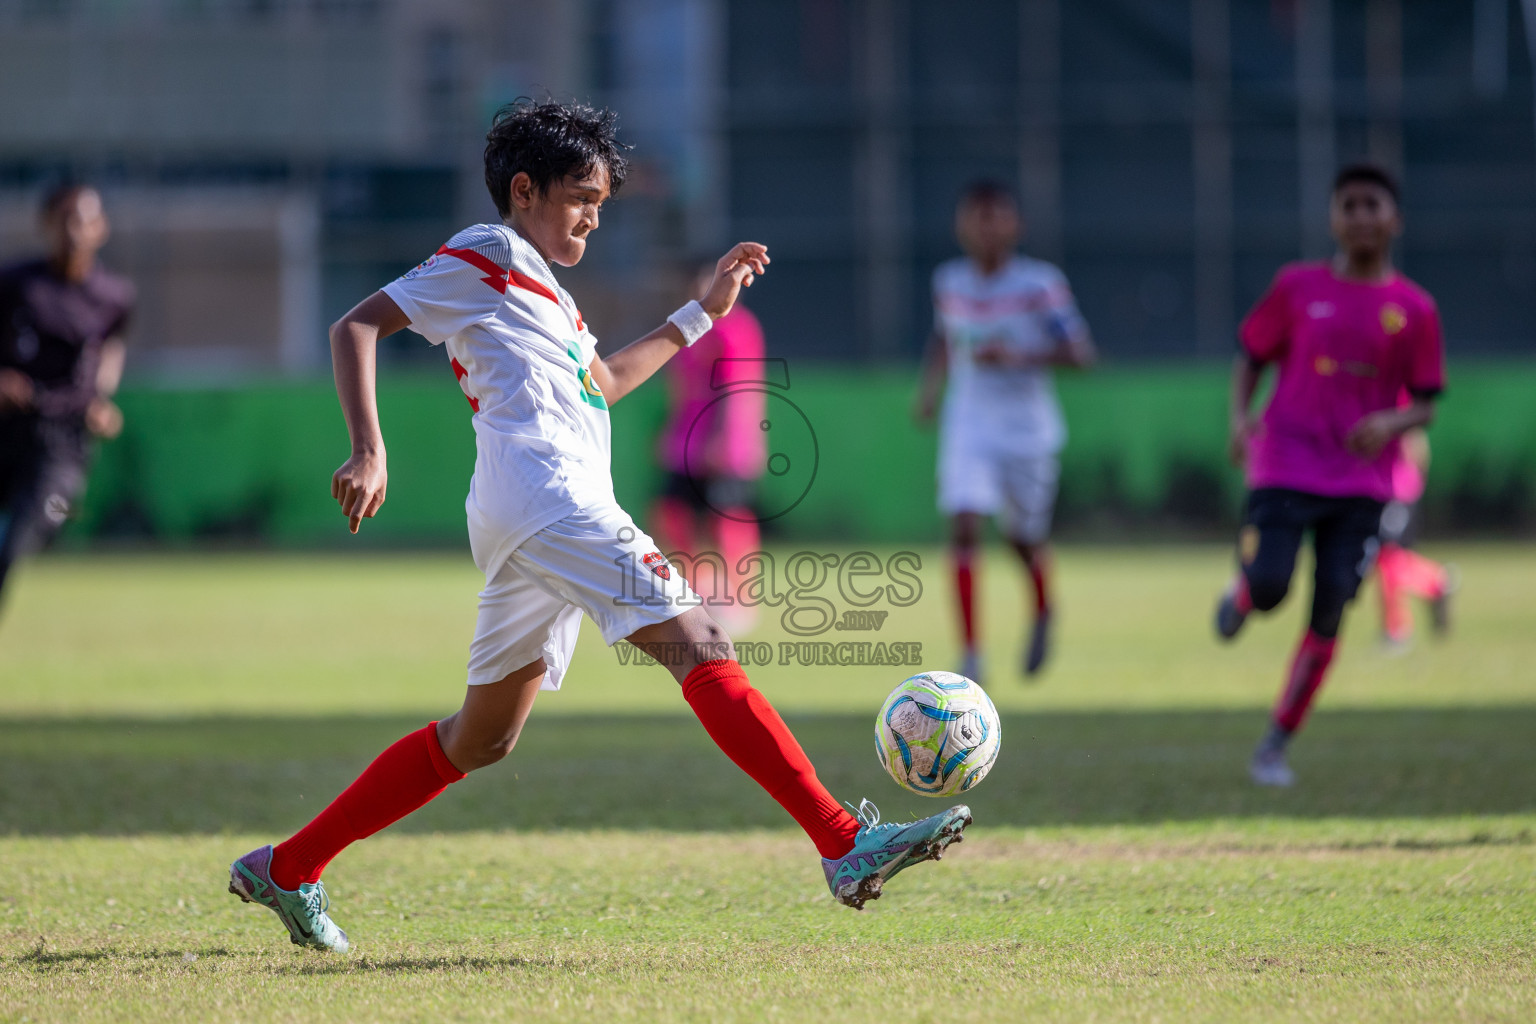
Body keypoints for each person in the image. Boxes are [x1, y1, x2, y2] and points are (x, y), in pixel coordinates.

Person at [227, 100, 971, 953]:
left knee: (482, 738)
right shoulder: (490, 251)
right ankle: (843, 841)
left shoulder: (548, 292)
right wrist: (369, 450)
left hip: (532, 509)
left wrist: (703, 314)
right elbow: (355, 322)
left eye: (602, 202)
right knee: (701, 643)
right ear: (524, 190)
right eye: (581, 196)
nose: (592, 214)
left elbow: (607, 380)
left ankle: (289, 866)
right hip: (550, 497)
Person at [1214, 162, 1445, 787]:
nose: (1362, 216)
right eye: (1350, 205)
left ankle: (1274, 744)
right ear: (1333, 219)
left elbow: (1426, 397)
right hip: (1286, 461)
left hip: (1362, 482)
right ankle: (1242, 594)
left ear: (1393, 219)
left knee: (1331, 608)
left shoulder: (1415, 309)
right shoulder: (1296, 287)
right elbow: (1251, 355)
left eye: (1373, 205)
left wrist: (1391, 425)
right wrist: (1240, 420)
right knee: (1269, 586)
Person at [914, 180, 1095, 685]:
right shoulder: (949, 280)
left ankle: (1043, 607)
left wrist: (1019, 356)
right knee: (964, 522)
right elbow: (944, 339)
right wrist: (929, 391)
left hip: (1028, 432)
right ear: (961, 224)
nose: (986, 227)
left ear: (1016, 225)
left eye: (996, 217)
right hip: (969, 424)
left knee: (1023, 538)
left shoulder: (1040, 284)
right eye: (977, 216)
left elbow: (1082, 355)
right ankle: (971, 653)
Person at [0, 184, 130, 613]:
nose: (74, 230)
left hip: (64, 441)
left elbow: (112, 348)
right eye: (65, 219)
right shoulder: (16, 284)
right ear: (47, 225)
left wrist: (101, 397)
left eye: (85, 219)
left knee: (45, 519)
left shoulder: (114, 297)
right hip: (8, 428)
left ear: (101, 228)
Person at [650, 261, 767, 633]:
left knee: (727, 520)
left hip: (726, 445)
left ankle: (741, 597)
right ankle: (695, 588)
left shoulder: (737, 328)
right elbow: (681, 390)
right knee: (672, 511)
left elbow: (740, 388)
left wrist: (725, 439)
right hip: (687, 441)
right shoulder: (686, 329)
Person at [1375, 426, 1453, 649]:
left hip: (1397, 491)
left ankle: (1396, 630)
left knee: (1390, 558)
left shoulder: (1399, 403)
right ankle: (1436, 580)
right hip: (1381, 489)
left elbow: (1416, 446)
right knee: (1386, 558)